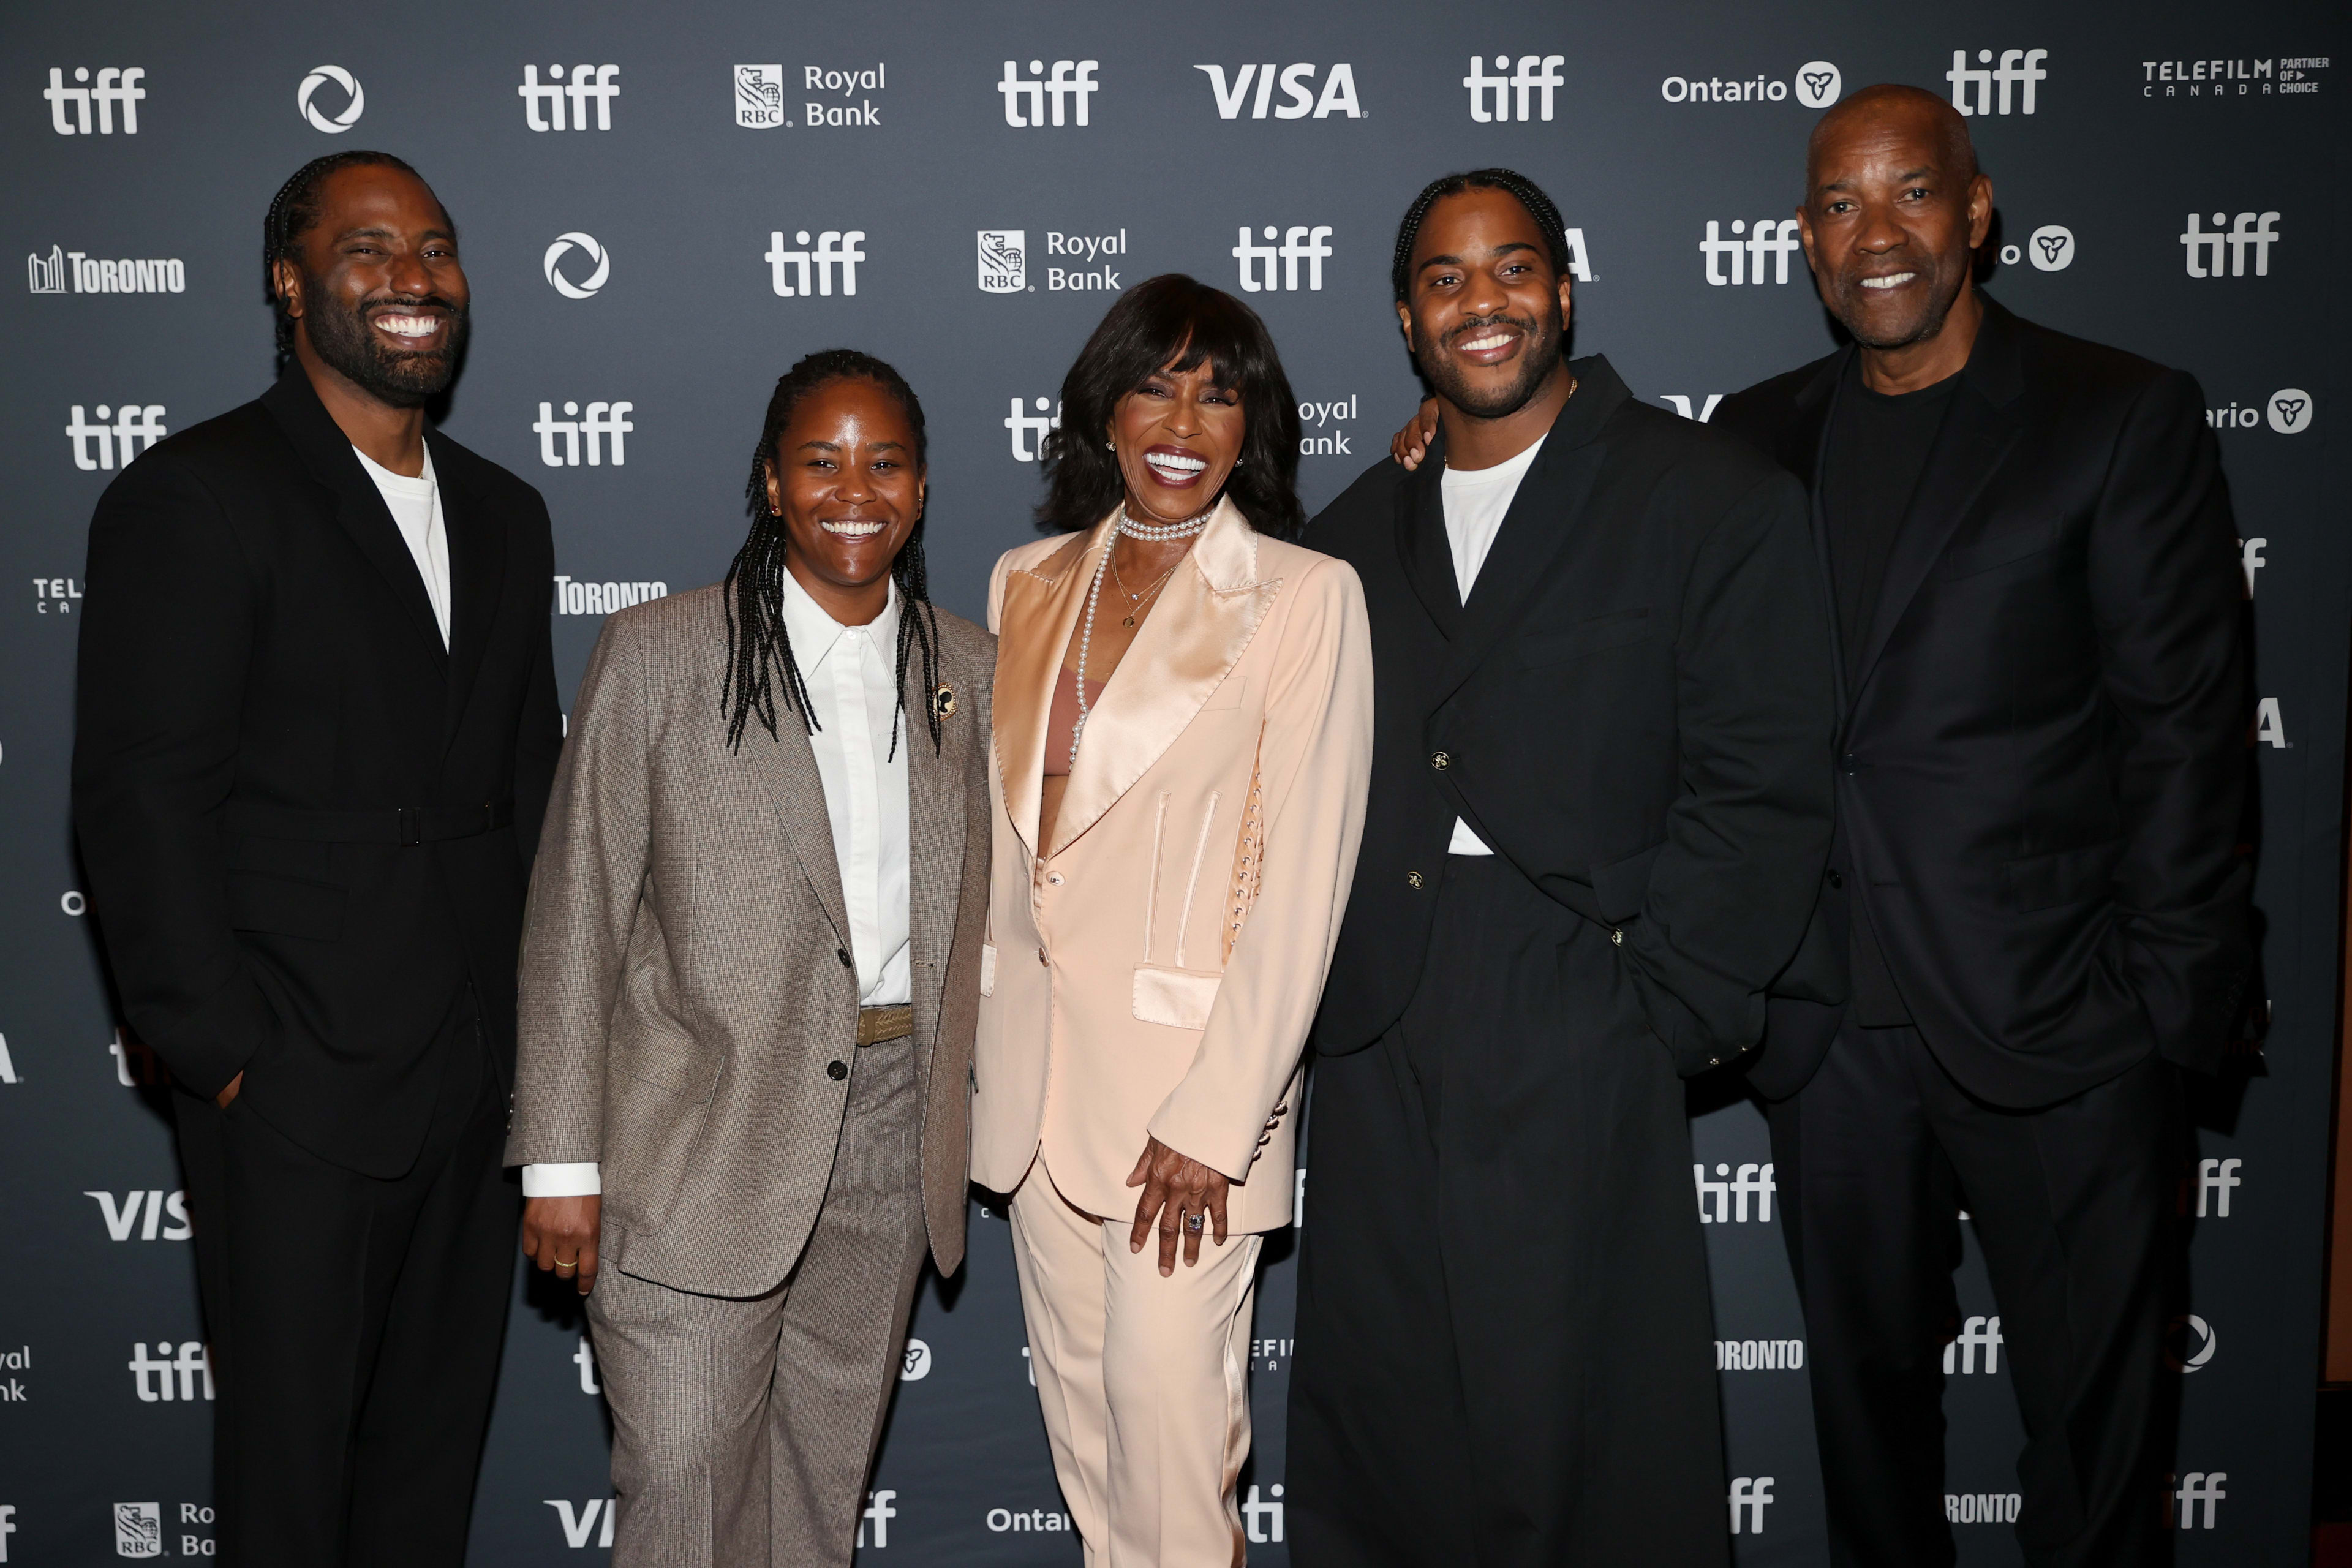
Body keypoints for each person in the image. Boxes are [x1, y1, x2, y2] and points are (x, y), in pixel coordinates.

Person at [1710, 86, 2248, 1567]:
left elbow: (2190, 736)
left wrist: (2161, 1010)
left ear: (1979, 207)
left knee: (2094, 1449)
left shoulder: (2115, 413)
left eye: (1910, 194)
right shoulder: (1757, 436)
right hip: (1835, 1035)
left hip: (2067, 1023)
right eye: (1838, 204)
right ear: (1805, 239)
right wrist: (1448, 427)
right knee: (1869, 1446)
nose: (1874, 234)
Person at [1292, 169, 1836, 1567]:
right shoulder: (1353, 534)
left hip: (1583, 986)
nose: (1486, 303)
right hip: (1380, 1011)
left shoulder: (1701, 490)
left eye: (1513, 268)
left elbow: (1764, 774)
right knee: (1391, 1418)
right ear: (1409, 322)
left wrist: (1666, 993)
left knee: (1582, 1423)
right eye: (1448, 280)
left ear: (1565, 290)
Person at [71, 152, 562, 1566]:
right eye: (368, 249)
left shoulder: (506, 512)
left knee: (426, 1476)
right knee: (290, 1488)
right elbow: (137, 796)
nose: (413, 277)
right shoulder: (199, 493)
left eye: (435, 247)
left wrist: (544, 1046)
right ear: (289, 283)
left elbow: (532, 789)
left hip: (477, 1078)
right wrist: (223, 1050)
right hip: (295, 1081)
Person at [505, 351, 995, 1567]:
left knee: (818, 1491)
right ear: (771, 483)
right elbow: (577, 910)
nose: (854, 489)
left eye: (884, 461)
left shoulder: (969, 669)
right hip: (696, 1136)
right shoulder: (663, 654)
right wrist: (558, 1159)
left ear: (923, 488)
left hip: (891, 1133)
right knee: (683, 1490)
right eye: (820, 460)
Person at [972, 274, 1373, 1564]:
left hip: (1186, 1118)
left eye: (1220, 391)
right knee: (1090, 1447)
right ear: (1104, 408)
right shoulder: (1024, 580)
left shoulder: (1308, 597)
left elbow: (1306, 875)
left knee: (1171, 1447)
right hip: (1038, 1094)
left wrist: (1220, 1116)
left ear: (1254, 427)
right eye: (1157, 381)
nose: (1184, 418)